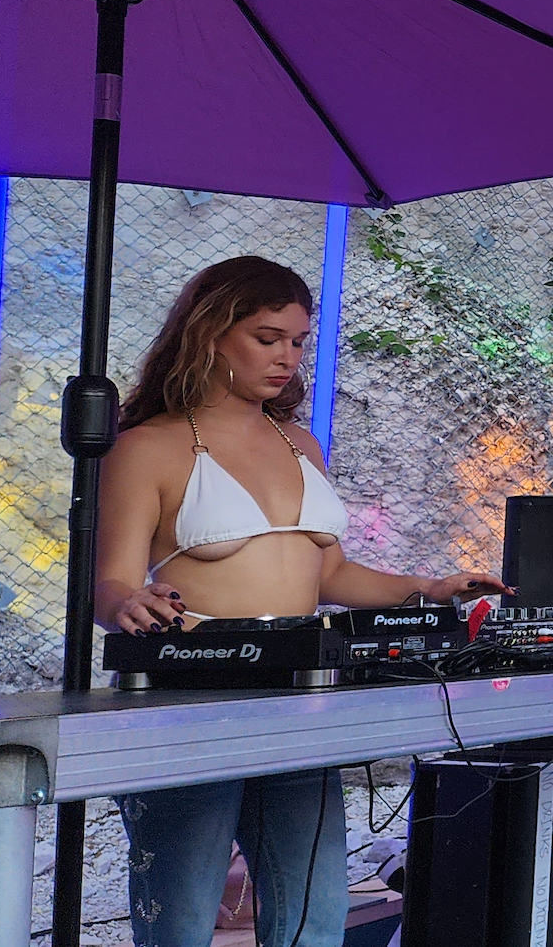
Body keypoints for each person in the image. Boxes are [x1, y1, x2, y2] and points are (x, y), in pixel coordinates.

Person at [94, 255, 507, 947]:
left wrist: (431, 590)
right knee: (182, 915)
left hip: (301, 698)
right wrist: (129, 603)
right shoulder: (147, 447)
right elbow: (108, 585)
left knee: (315, 909)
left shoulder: (300, 443)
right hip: (190, 699)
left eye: (298, 341)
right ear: (209, 334)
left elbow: (331, 575)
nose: (286, 357)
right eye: (267, 338)